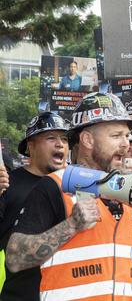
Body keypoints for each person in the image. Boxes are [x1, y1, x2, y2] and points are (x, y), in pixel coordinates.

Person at [5, 92, 132, 300]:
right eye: (116, 136)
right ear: (87, 140)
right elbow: (15, 259)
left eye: (127, 136)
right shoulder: (55, 186)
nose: (126, 144)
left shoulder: (130, 188)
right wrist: (71, 225)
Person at [0, 112, 69, 301]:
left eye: (64, 138)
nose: (60, 144)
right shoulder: (8, 184)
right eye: (50, 138)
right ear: (31, 147)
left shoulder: (76, 184)